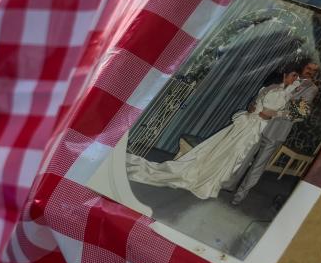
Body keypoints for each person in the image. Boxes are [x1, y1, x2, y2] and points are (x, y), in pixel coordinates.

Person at [126, 69, 301, 200]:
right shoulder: (278, 91)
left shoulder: (268, 88)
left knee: (223, 151)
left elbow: (254, 107)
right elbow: (264, 114)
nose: (295, 79)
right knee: (229, 153)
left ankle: (208, 178)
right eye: (294, 75)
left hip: (248, 123)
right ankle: (207, 181)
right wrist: (285, 114)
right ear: (285, 76)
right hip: (252, 127)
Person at [226, 60, 320, 206]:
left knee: (258, 165)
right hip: (257, 124)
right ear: (303, 66)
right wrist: (253, 104)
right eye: (309, 68)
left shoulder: (311, 89)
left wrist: (274, 113)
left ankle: (239, 196)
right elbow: (267, 91)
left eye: (314, 71)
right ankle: (229, 184)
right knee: (243, 155)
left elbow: (299, 113)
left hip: (276, 131)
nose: (311, 72)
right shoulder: (288, 75)